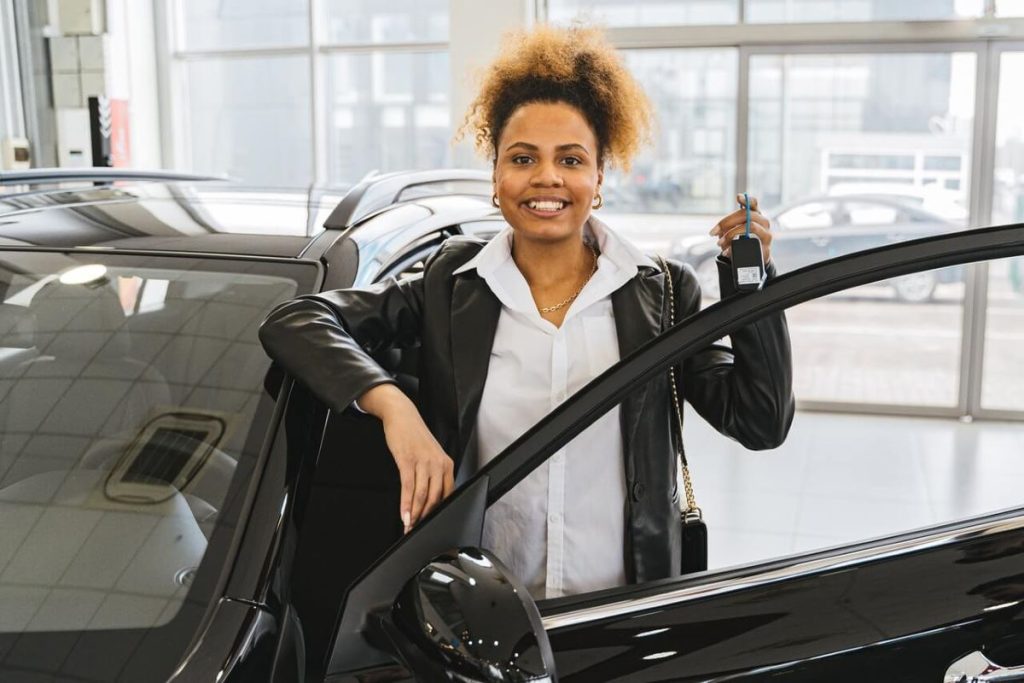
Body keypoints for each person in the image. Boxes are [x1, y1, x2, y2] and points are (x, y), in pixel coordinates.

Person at [259, 24, 794, 599]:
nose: (547, 178)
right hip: (482, 615)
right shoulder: (450, 285)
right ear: (496, 177)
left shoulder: (661, 293)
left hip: (617, 611)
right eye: (523, 158)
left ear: (598, 178)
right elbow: (297, 322)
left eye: (570, 159)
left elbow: (759, 421)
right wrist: (395, 410)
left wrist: (751, 284)